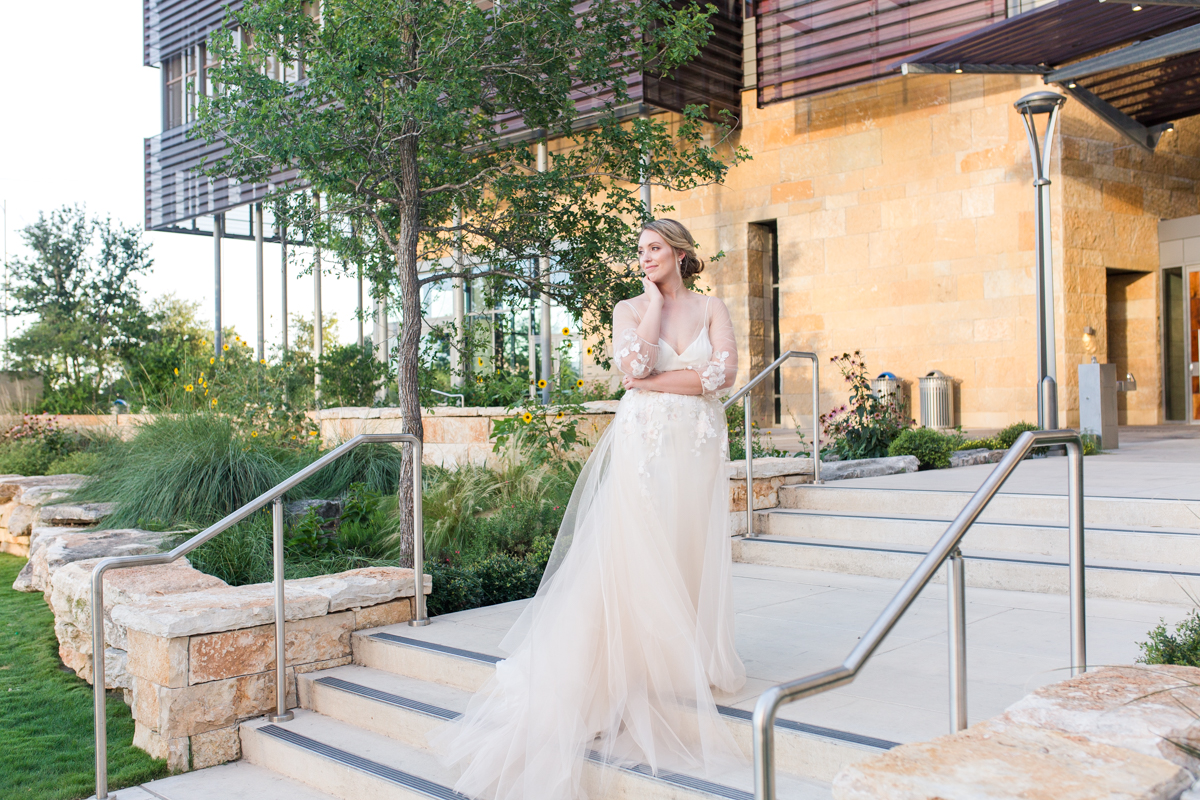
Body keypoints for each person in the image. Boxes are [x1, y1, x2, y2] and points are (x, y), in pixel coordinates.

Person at [434, 219, 746, 800]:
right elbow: (632, 369)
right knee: (638, 547)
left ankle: (683, 654)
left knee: (689, 540)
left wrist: (654, 381)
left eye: (655, 249)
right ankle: (635, 662)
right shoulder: (630, 307)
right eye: (640, 251)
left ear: (680, 253)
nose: (644, 258)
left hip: (698, 447)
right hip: (645, 447)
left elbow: (722, 375)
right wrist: (653, 310)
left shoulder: (712, 307)